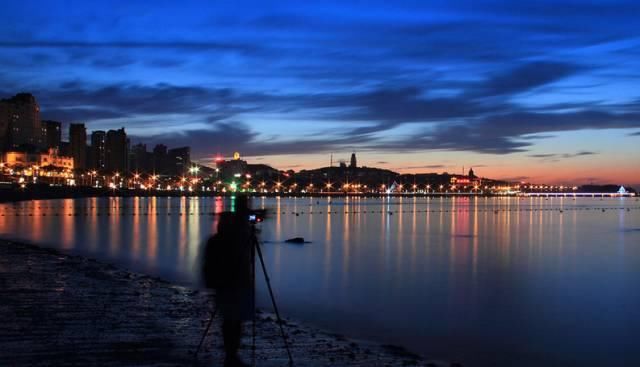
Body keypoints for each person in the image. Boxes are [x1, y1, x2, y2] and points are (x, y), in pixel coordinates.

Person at [202, 197, 255, 367]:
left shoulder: (215, 240)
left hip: (222, 284)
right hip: (236, 283)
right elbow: (246, 251)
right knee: (235, 320)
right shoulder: (236, 239)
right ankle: (231, 356)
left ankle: (230, 355)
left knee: (229, 319)